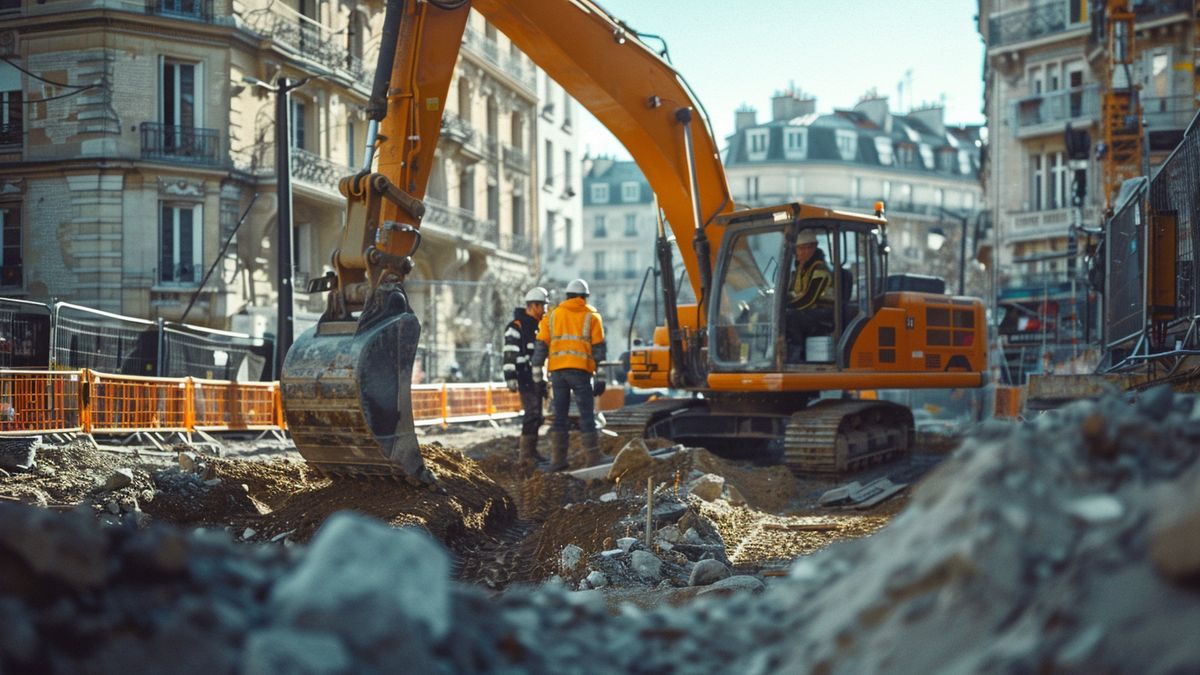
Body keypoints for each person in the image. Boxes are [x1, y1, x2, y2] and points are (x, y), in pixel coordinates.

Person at [532, 278, 607, 471]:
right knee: (586, 414)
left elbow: (541, 346)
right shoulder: (592, 317)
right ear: (584, 297)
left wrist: (537, 376)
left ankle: (558, 461)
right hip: (581, 371)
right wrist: (601, 377)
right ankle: (593, 457)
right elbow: (599, 350)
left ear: (567, 296)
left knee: (560, 416)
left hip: (557, 372)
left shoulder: (553, 315)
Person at [504, 286, 550, 470]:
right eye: (544, 306)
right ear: (535, 306)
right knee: (532, 414)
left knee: (538, 415)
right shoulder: (517, 326)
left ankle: (531, 453)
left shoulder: (539, 326)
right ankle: (526, 456)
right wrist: (510, 376)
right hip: (525, 377)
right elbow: (509, 353)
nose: (545, 310)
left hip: (538, 378)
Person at [786, 229, 835, 362]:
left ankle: (795, 356)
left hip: (824, 314)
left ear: (814, 248)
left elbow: (809, 299)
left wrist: (786, 306)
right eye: (800, 248)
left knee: (790, 316)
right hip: (810, 312)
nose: (803, 252)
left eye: (807, 248)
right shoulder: (800, 269)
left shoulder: (820, 270)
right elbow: (793, 292)